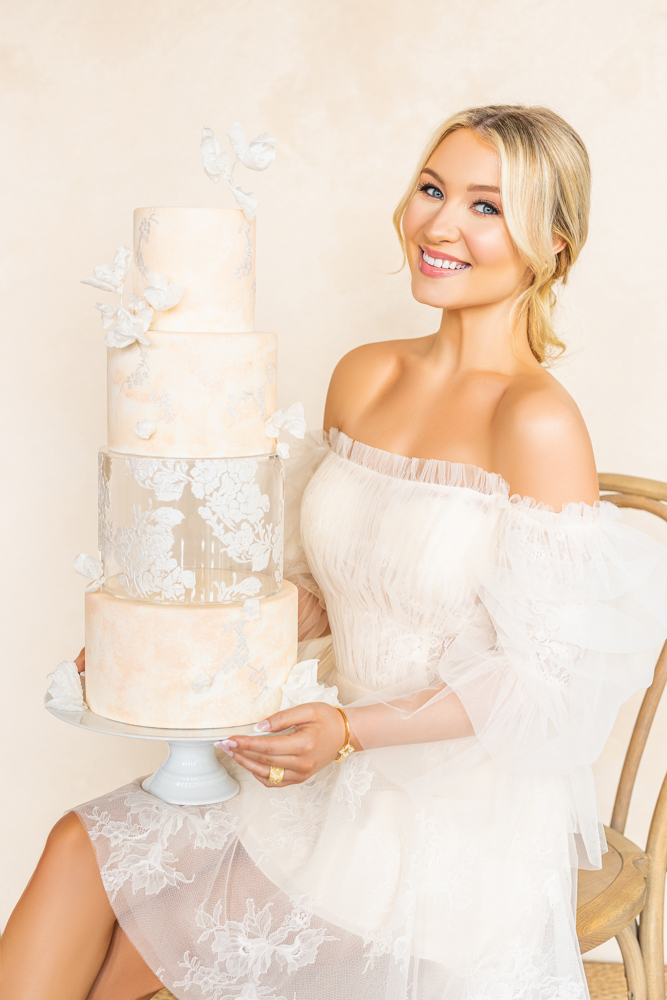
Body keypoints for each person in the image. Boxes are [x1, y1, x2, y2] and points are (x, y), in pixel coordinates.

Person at [2, 104, 666, 1000]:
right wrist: (160, 658)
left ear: (552, 242)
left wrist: (353, 732)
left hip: (449, 801)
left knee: (175, 930)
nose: (438, 224)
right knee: (83, 848)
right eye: (432, 189)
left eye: (485, 206)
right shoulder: (365, 373)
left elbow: (537, 681)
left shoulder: (536, 420)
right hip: (317, 756)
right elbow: (323, 589)